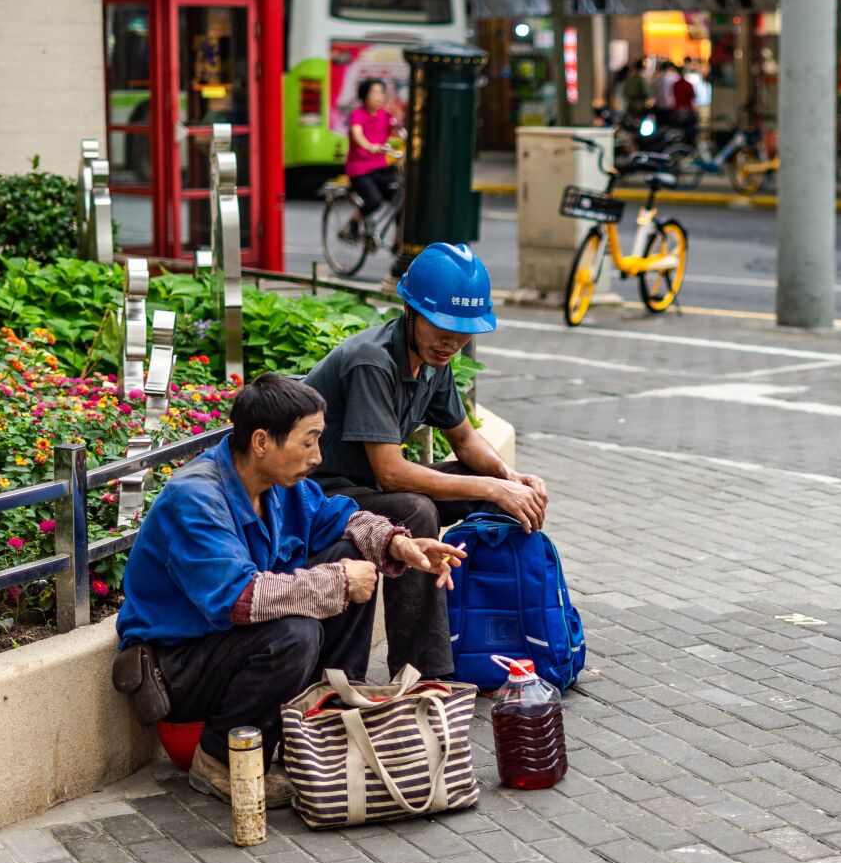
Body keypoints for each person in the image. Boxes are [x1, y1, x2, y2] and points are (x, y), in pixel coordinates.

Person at [115, 373, 466, 807]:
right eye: (309, 441)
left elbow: (346, 518)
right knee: (297, 632)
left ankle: (329, 721)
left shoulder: (282, 487)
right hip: (180, 665)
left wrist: (400, 544)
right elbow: (240, 597)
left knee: (353, 553)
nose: (317, 456)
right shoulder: (196, 499)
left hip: (230, 644)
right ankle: (219, 758)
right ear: (262, 441)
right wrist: (338, 581)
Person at [303, 242, 548, 681]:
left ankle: (494, 642)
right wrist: (493, 487)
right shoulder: (372, 361)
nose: (452, 341)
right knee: (417, 511)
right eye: (441, 325)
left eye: (464, 330)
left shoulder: (435, 361)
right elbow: (391, 473)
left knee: (500, 497)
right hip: (327, 494)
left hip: (374, 490)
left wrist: (510, 480)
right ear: (410, 310)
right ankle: (422, 674)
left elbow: (466, 439)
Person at [344, 79, 401, 238]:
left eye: (381, 93)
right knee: (374, 200)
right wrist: (369, 146)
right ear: (364, 95)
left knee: (402, 199)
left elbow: (399, 132)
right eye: (374, 93)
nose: (379, 97)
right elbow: (357, 133)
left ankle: (398, 239)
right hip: (359, 169)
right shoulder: (357, 115)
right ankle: (355, 221)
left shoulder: (386, 116)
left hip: (381, 166)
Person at [622, 57, 652, 122]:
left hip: (631, 106)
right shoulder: (641, 78)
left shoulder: (630, 78)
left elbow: (625, 92)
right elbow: (646, 91)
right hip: (640, 107)